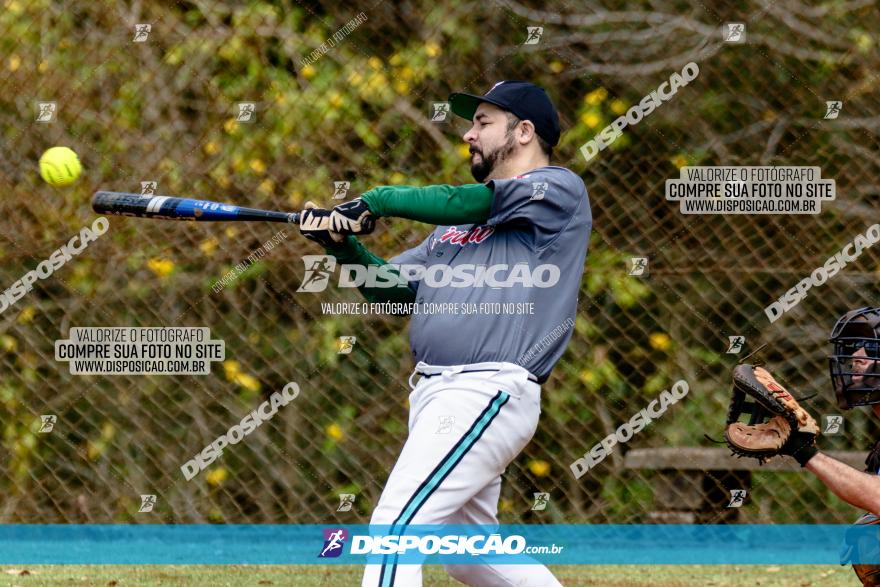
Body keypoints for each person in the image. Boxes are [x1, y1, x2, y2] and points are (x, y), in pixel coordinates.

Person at [299, 80, 592, 586]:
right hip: (437, 395)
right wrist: (341, 247)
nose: (468, 135)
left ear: (523, 132)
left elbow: (466, 202)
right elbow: (392, 292)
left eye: (482, 123)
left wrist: (378, 200)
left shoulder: (559, 189)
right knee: (469, 555)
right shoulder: (452, 232)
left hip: (486, 388)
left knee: (394, 529)